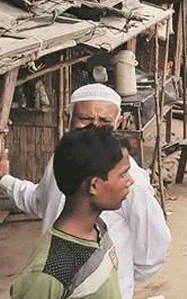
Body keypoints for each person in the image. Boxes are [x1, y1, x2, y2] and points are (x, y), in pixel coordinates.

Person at [0, 84, 170, 299]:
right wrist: (4, 179)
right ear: (68, 118)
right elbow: (40, 200)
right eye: (86, 120)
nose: (94, 128)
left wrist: (115, 274)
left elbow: (153, 247)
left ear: (118, 123)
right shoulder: (61, 162)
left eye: (104, 122)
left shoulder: (103, 222)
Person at [11, 126, 133, 299]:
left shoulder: (98, 228)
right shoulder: (49, 272)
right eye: (123, 174)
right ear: (94, 185)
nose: (130, 181)